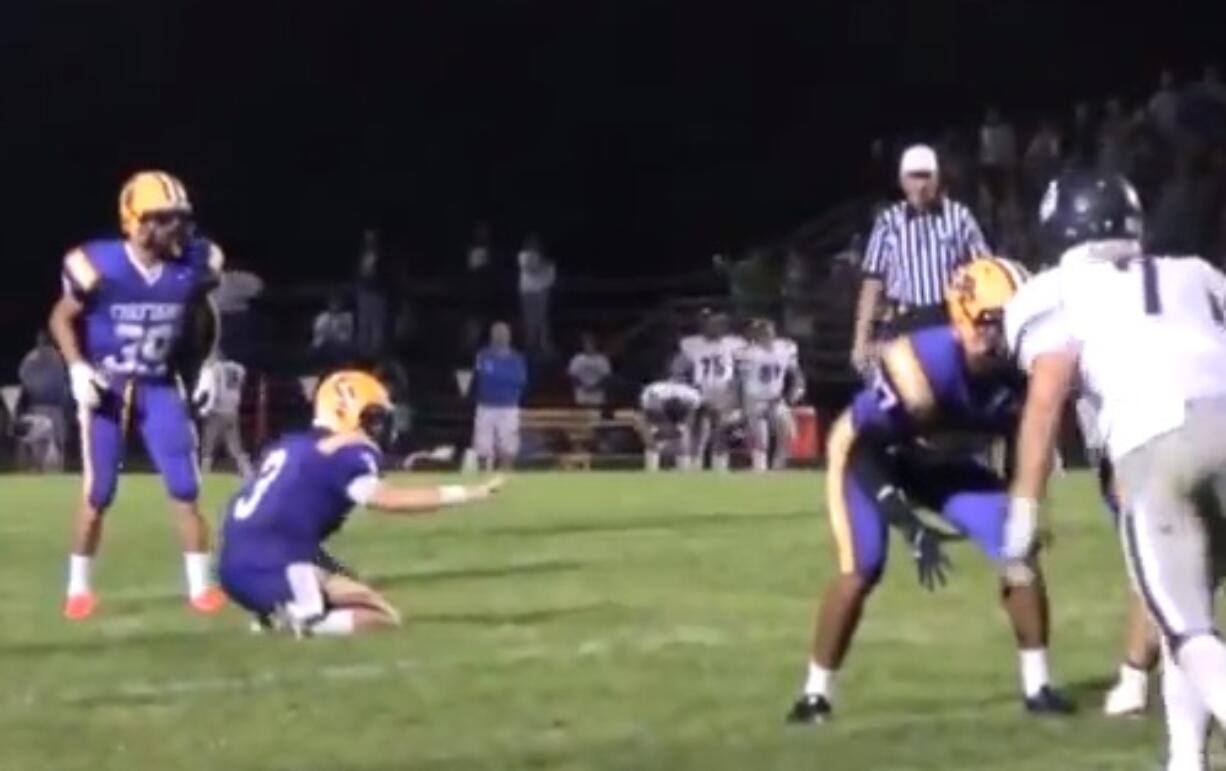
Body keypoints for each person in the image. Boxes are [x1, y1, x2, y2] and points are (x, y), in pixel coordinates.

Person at [1003, 170, 1226, 771]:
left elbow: (1047, 395)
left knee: (1185, 628)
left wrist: (1023, 512)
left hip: (1157, 446)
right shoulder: (1196, 273)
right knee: (1191, 609)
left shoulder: (1059, 290)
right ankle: (1186, 761)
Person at [786, 256, 1072, 725]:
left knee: (1016, 548)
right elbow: (867, 450)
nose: (1005, 335)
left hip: (943, 461)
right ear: (962, 316)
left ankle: (1038, 685)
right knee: (863, 567)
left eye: (1013, 322)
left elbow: (1027, 443)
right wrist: (906, 522)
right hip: (870, 453)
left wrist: (1025, 506)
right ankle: (814, 695)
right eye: (993, 322)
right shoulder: (921, 362)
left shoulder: (1025, 367)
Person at [47, 170, 225, 620]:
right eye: (164, 219)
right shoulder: (100, 265)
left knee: (185, 487)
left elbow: (205, 313)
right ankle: (78, 588)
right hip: (108, 385)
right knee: (99, 492)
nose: (176, 229)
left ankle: (201, 588)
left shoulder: (192, 265)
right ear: (136, 221)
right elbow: (60, 317)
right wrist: (77, 367)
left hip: (159, 383)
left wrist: (208, 362)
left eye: (179, 219)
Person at [218, 370, 505, 636]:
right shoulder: (348, 451)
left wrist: (335, 572)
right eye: (373, 418)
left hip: (235, 564)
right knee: (382, 615)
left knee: (353, 586)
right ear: (347, 413)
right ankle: (301, 617)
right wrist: (466, 493)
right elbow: (388, 500)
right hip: (274, 565)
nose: (380, 428)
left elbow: (282, 521)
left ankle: (275, 610)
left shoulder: (290, 444)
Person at [852, 144, 989, 376]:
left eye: (927, 176)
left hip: (948, 320)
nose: (921, 185)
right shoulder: (889, 222)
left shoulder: (959, 217)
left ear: (937, 178)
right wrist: (861, 339)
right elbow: (873, 282)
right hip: (904, 322)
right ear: (902, 180)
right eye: (914, 177)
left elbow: (985, 271)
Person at [676, 310, 744, 471]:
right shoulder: (690, 344)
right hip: (698, 389)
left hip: (724, 390)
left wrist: (737, 391)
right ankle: (693, 464)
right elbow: (679, 368)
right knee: (697, 428)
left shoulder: (736, 344)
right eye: (711, 324)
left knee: (721, 428)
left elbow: (743, 368)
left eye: (719, 324)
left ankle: (719, 465)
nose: (715, 328)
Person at [736, 319, 804, 471]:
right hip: (754, 399)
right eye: (760, 331)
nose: (765, 333)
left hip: (776, 399)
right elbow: (738, 381)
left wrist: (798, 387)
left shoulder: (786, 348)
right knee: (760, 440)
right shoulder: (746, 352)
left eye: (767, 330)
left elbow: (795, 372)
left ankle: (778, 469)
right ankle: (760, 471)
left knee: (788, 434)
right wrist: (740, 404)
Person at [472, 321, 527, 470]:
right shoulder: (483, 355)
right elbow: (481, 377)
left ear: (509, 336)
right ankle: (482, 476)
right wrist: (502, 378)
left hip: (508, 408)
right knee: (482, 446)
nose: (500, 337)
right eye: (497, 334)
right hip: (486, 407)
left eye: (503, 334)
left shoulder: (516, 359)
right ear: (492, 336)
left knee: (508, 447)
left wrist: (499, 376)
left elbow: (519, 380)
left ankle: (505, 477)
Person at [17, 330, 69, 470]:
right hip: (46, 407)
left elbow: (23, 381)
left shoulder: (33, 358)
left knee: (44, 445)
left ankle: (42, 472)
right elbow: (64, 384)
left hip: (42, 407)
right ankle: (48, 472)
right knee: (46, 444)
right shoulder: (56, 357)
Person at [200, 358, 253, 477]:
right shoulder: (240, 368)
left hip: (218, 409)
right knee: (235, 444)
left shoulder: (216, 368)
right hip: (232, 409)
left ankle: (204, 473)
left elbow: (211, 388)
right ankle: (247, 471)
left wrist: (205, 408)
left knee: (208, 443)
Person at [638, 379, 702, 471]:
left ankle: (684, 471)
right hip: (654, 405)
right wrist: (655, 430)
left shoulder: (692, 397)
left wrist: (681, 428)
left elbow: (690, 417)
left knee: (683, 438)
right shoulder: (651, 396)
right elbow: (647, 415)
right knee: (654, 439)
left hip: (680, 407)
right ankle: (651, 471)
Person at [567, 333, 612, 407]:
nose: (589, 345)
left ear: (595, 344)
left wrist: (594, 387)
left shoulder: (603, 359)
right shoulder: (577, 359)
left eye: (591, 343)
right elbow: (572, 376)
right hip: (581, 395)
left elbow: (607, 377)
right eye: (587, 343)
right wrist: (584, 386)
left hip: (598, 396)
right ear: (583, 345)